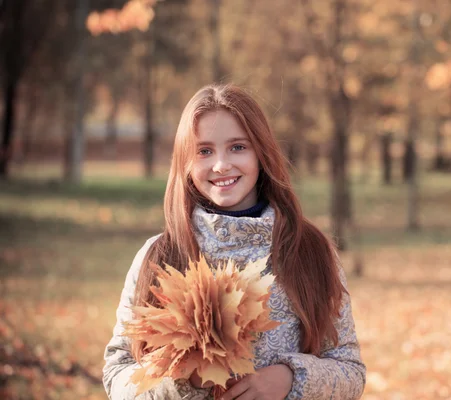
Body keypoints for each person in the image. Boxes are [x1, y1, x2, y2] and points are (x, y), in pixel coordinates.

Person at [102, 84, 366, 400]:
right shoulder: (159, 256)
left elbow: (350, 371)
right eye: (204, 151)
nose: (221, 165)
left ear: (261, 153)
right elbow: (117, 374)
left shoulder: (310, 251)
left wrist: (291, 379)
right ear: (186, 162)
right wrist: (183, 382)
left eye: (238, 147)